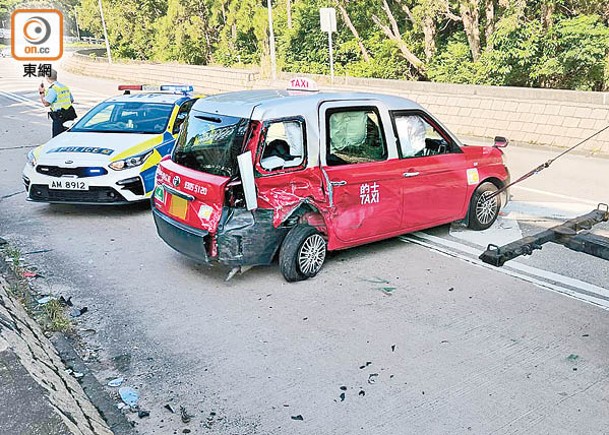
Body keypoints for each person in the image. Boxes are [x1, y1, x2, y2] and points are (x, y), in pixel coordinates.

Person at [38, 69, 76, 137]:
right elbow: (72, 100)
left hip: (59, 117)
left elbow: (46, 104)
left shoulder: (53, 89)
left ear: (47, 77)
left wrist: (41, 93)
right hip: (69, 115)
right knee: (67, 137)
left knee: (57, 138)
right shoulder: (64, 87)